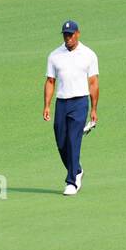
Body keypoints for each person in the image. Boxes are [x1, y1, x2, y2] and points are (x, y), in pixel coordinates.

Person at [43, 20, 100, 197]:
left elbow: (93, 83)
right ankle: (77, 169)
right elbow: (50, 81)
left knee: (73, 140)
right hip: (62, 102)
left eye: (71, 35)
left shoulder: (89, 55)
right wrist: (47, 105)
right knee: (61, 142)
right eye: (65, 35)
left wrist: (93, 109)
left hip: (80, 102)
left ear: (78, 34)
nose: (68, 38)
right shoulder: (54, 55)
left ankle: (71, 181)